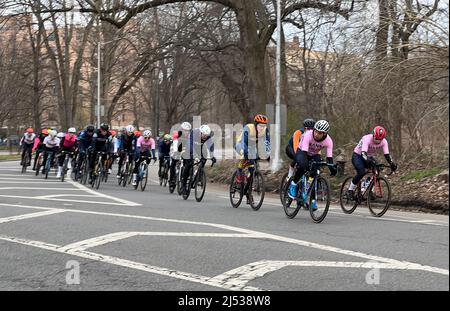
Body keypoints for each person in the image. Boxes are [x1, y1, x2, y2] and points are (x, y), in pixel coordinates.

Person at [288, 120, 337, 210]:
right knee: (303, 166)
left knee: (315, 174)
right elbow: (304, 153)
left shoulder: (328, 141)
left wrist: (332, 168)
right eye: (316, 131)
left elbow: (329, 158)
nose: (316, 134)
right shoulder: (308, 135)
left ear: (325, 134)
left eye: (320, 133)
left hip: (315, 154)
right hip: (302, 151)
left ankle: (313, 200)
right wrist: (306, 163)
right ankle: (293, 184)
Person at [347, 126, 398, 198]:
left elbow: (387, 154)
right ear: (373, 135)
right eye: (376, 138)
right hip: (358, 155)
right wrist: (368, 161)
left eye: (380, 140)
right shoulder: (367, 139)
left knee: (377, 170)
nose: (378, 141)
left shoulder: (384, 142)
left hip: (368, 156)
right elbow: (363, 153)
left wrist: (392, 163)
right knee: (361, 172)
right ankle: (350, 190)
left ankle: (370, 190)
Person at [235, 114, 271, 203]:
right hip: (241, 144)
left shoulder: (265, 131)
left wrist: (267, 154)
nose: (262, 128)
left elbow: (267, 144)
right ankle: (239, 174)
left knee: (252, 169)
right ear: (256, 124)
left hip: (252, 146)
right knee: (245, 155)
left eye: (264, 126)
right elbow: (243, 142)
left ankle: (248, 193)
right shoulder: (249, 128)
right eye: (260, 125)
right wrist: (246, 153)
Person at [180, 124, 216, 194]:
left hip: (200, 148)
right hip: (190, 147)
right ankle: (183, 184)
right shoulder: (194, 133)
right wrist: (193, 154)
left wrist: (212, 156)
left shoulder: (208, 136)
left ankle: (199, 174)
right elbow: (189, 144)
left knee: (204, 157)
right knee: (188, 165)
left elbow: (211, 146)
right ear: (200, 133)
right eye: (204, 135)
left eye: (206, 136)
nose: (205, 137)